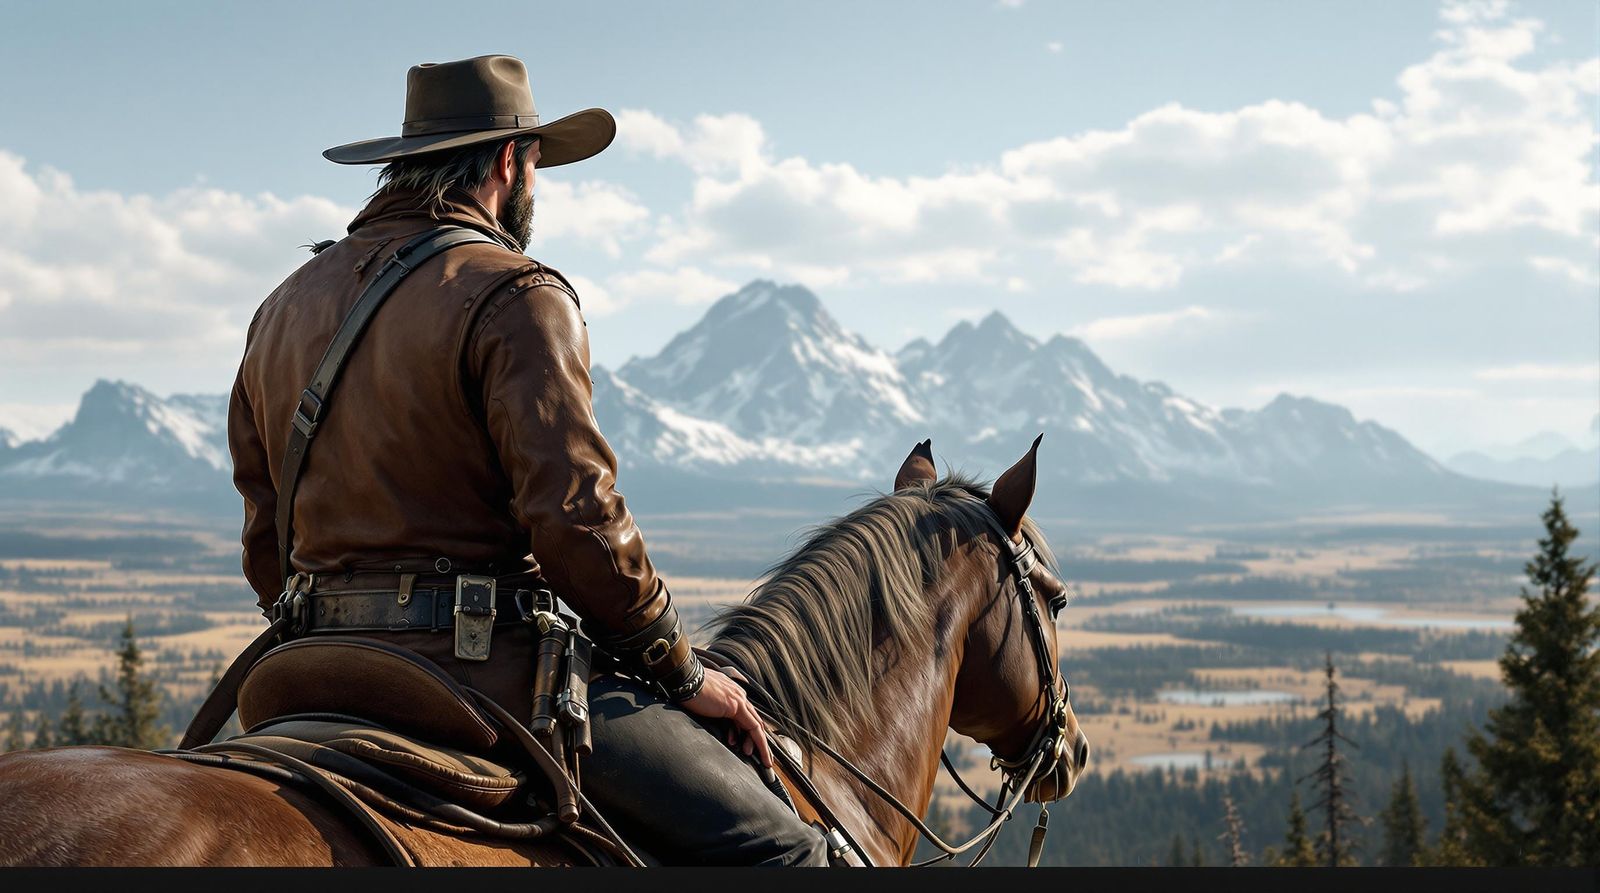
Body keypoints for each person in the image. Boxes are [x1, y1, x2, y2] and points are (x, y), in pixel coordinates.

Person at [228, 54, 827, 866]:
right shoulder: (515, 293)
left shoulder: (282, 306)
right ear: (509, 163)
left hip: (309, 664)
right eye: (538, 162)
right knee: (785, 848)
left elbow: (267, 535)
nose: (536, 183)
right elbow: (577, 520)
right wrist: (683, 672)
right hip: (483, 676)